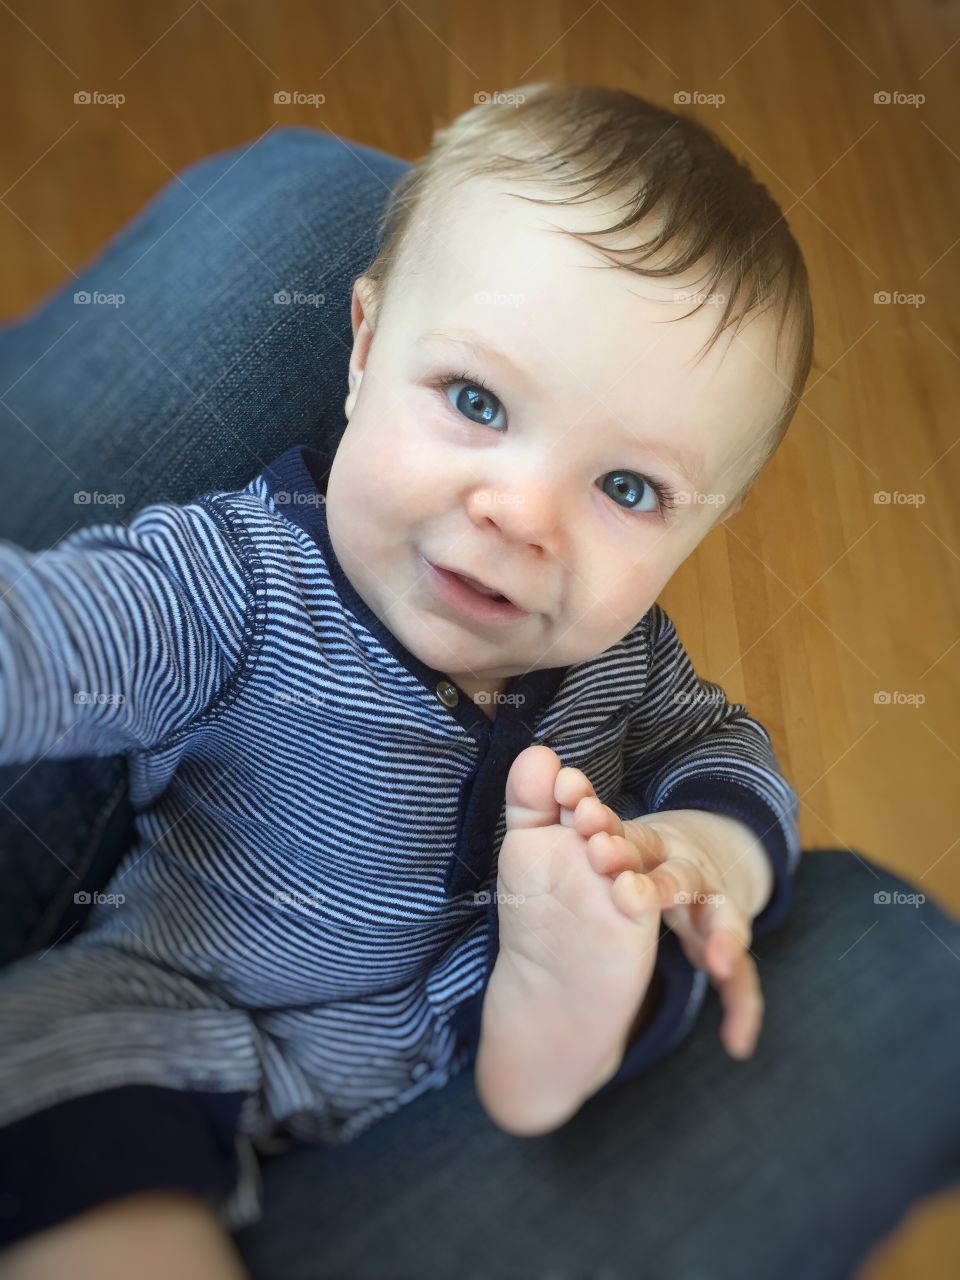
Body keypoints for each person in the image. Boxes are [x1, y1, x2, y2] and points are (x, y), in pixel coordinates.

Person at [0, 86, 956, 1280]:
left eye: (626, 489)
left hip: (449, 1033)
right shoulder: (243, 579)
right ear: (362, 348)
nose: (522, 513)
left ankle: (562, 1014)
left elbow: (720, 745)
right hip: (164, 1017)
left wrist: (701, 855)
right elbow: (75, 628)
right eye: (476, 403)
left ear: (704, 522)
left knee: (634, 927)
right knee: (74, 1123)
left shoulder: (622, 658)